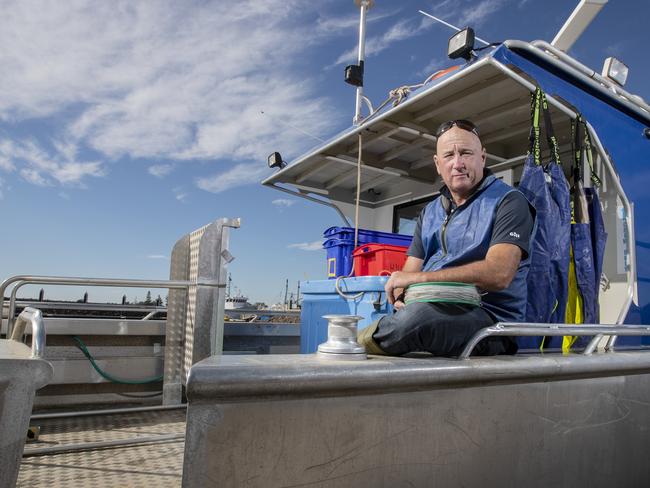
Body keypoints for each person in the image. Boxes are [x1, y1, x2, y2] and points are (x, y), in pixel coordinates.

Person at [358, 119, 535, 357]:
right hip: (430, 309)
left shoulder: (510, 201)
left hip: (491, 322)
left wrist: (416, 280)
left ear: (482, 158)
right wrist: (401, 294)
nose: (458, 163)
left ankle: (350, 344)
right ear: (437, 164)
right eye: (449, 155)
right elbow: (410, 269)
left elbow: (499, 273)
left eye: (466, 153)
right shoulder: (430, 211)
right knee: (412, 316)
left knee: (416, 320)